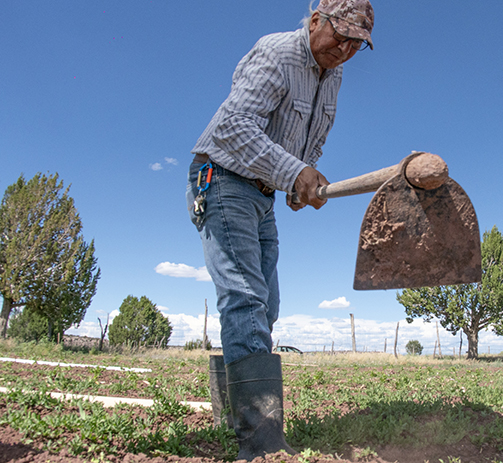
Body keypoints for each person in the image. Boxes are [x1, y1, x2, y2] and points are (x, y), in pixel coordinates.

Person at [185, 0, 374, 458]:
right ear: (315, 21)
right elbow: (233, 127)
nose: (346, 49)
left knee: (265, 305)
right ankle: (262, 444)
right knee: (245, 297)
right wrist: (293, 171)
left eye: (357, 44)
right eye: (340, 35)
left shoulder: (336, 74)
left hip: (262, 192)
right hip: (224, 179)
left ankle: (233, 414)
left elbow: (314, 136)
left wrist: (302, 177)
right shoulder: (276, 54)